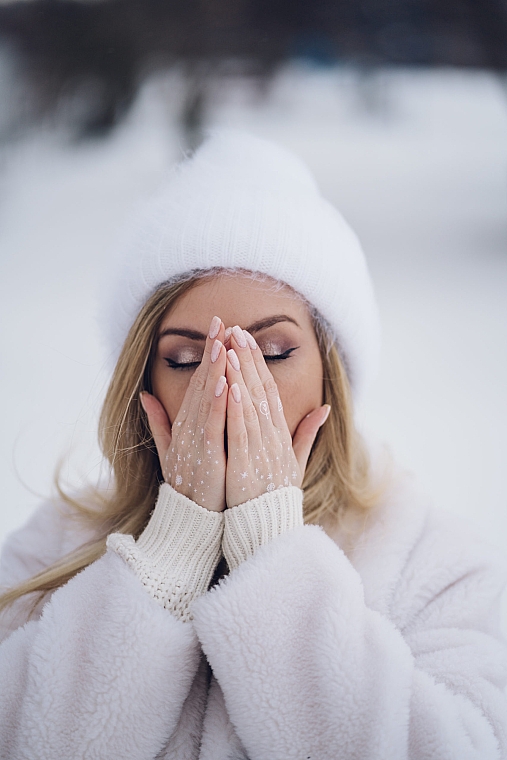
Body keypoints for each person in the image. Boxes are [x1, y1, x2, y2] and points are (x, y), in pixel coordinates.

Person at [0, 131, 505, 760]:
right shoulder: (54, 544)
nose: (233, 390)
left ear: (331, 374)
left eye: (272, 352)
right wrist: (167, 559)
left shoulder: (436, 565)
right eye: (188, 359)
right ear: (143, 383)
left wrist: (273, 557)